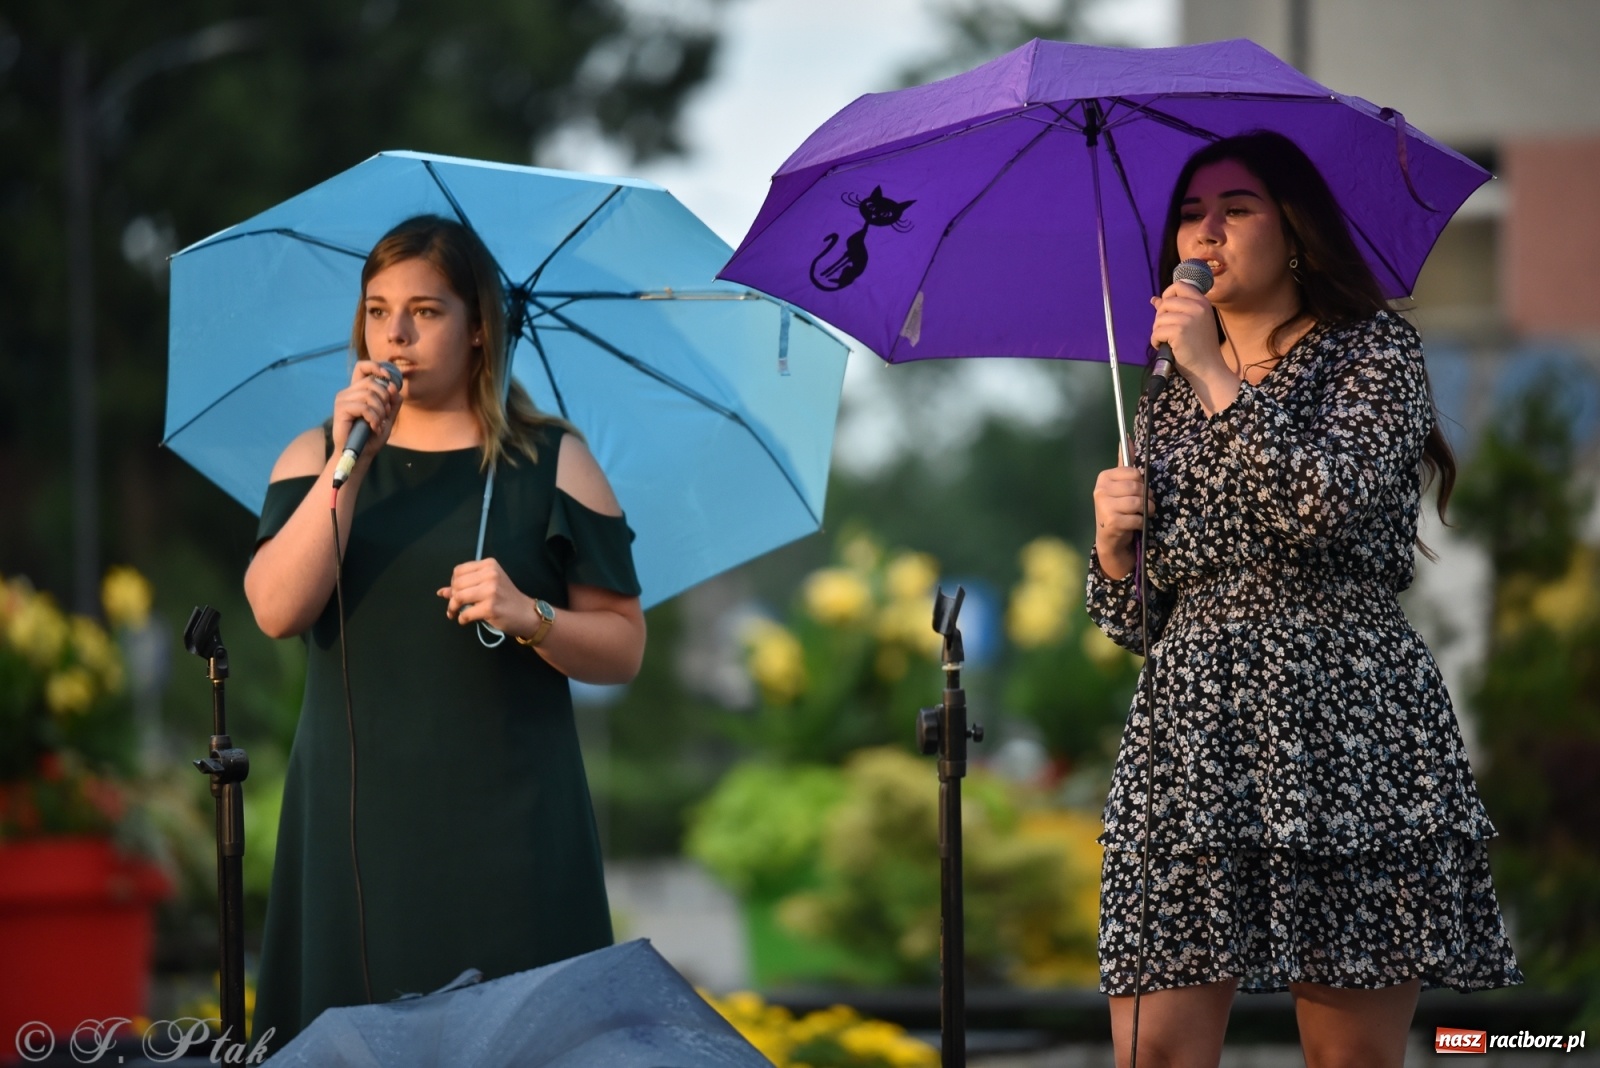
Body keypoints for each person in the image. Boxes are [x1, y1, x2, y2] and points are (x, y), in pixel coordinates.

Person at [1087, 132, 1521, 1068]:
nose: (1205, 232)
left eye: (1235, 208)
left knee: (1348, 1057)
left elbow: (1318, 508)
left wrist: (1215, 374)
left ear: (1294, 231)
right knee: (1153, 1045)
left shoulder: (1371, 354)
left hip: (1341, 715)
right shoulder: (1157, 393)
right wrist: (1114, 551)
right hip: (1192, 729)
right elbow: (1138, 623)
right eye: (1190, 214)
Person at [245, 215, 646, 1047]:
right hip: (354, 830)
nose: (394, 332)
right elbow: (278, 610)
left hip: (514, 834)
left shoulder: (552, 460)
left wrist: (528, 615)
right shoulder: (315, 456)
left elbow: (623, 645)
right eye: (377, 308)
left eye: (425, 311)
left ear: (478, 330)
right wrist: (350, 460)